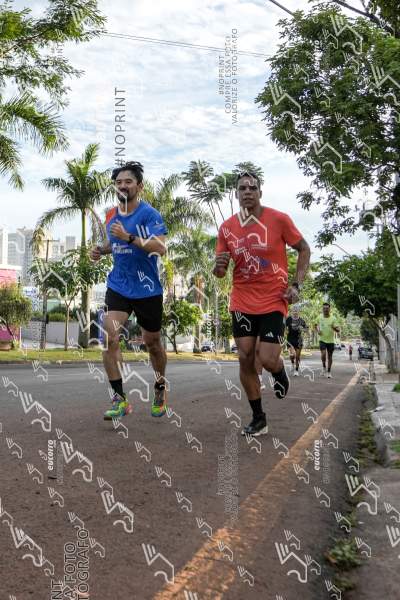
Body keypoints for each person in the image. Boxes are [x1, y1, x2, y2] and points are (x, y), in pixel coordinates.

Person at [214, 171, 310, 436]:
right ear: (236, 194)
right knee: (245, 358)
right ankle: (259, 418)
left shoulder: (279, 219)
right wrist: (218, 267)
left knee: (266, 358)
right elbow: (220, 271)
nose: (247, 191)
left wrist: (296, 285)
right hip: (242, 301)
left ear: (260, 192)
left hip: (273, 300)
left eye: (252, 187)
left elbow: (304, 248)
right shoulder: (227, 228)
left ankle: (278, 371)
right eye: (242, 188)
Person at [90, 161, 168, 420]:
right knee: (109, 338)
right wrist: (101, 250)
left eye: (128, 182)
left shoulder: (149, 215)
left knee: (153, 344)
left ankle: (160, 387)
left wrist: (129, 237)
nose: (122, 186)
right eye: (118, 182)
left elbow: (160, 247)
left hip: (147, 289)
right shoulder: (112, 215)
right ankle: (119, 399)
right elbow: (114, 243)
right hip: (119, 286)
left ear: (139, 186)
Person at [316, 302, 340, 378]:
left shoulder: (333, 318)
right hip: (322, 339)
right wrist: (318, 330)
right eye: (324, 308)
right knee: (323, 354)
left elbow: (338, 330)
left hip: (330, 341)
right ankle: (324, 367)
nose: (325, 310)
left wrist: (334, 328)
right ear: (322, 309)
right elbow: (315, 325)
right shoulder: (319, 317)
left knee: (330, 356)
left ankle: (329, 372)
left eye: (327, 308)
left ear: (329, 309)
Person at [286, 307, 307, 376]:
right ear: (292, 312)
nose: (295, 312)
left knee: (297, 356)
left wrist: (303, 329)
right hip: (290, 339)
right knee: (292, 355)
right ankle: (292, 363)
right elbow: (284, 327)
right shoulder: (289, 319)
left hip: (298, 340)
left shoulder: (301, 320)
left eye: (296, 311)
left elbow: (306, 329)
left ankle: (296, 370)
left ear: (298, 312)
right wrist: (286, 330)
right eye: (294, 311)